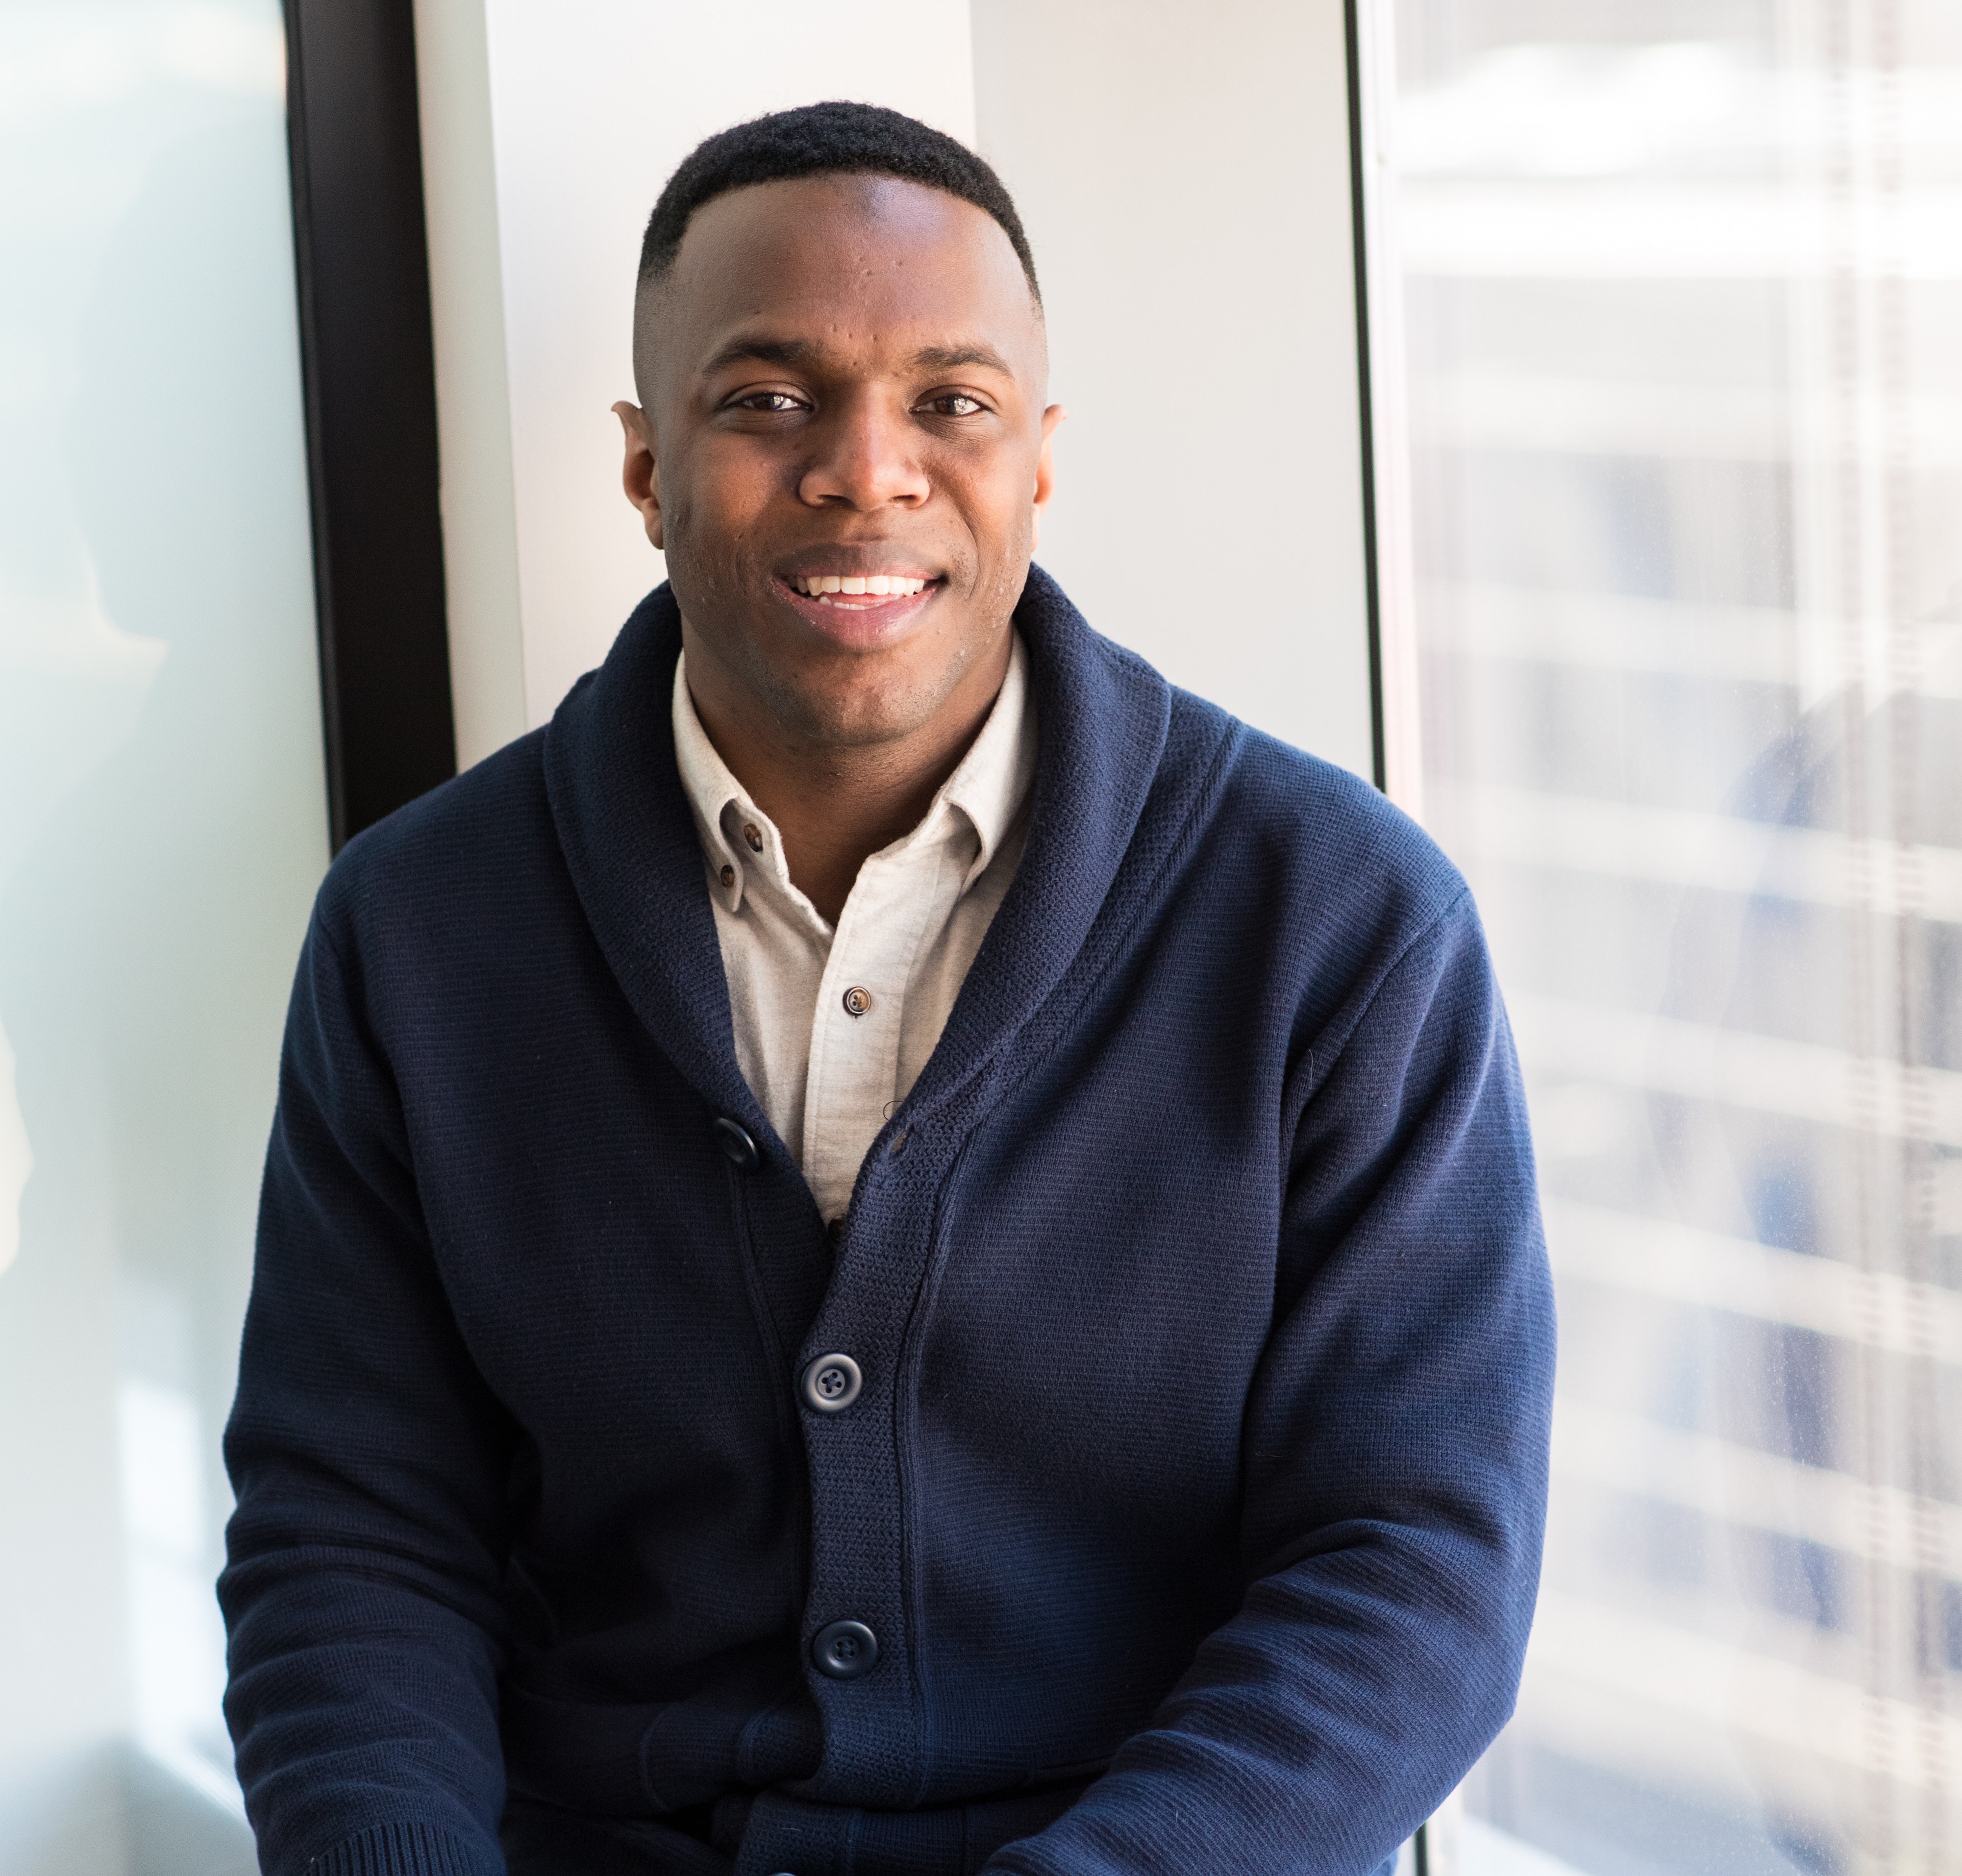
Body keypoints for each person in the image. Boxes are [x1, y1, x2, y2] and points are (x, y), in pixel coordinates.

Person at [220, 101, 1554, 1876]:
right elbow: (354, 1532)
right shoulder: (418, 929)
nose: (867, 467)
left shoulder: (1341, 922)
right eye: (768, 399)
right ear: (643, 466)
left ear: (1038, 458)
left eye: (952, 402)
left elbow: (1413, 1565)